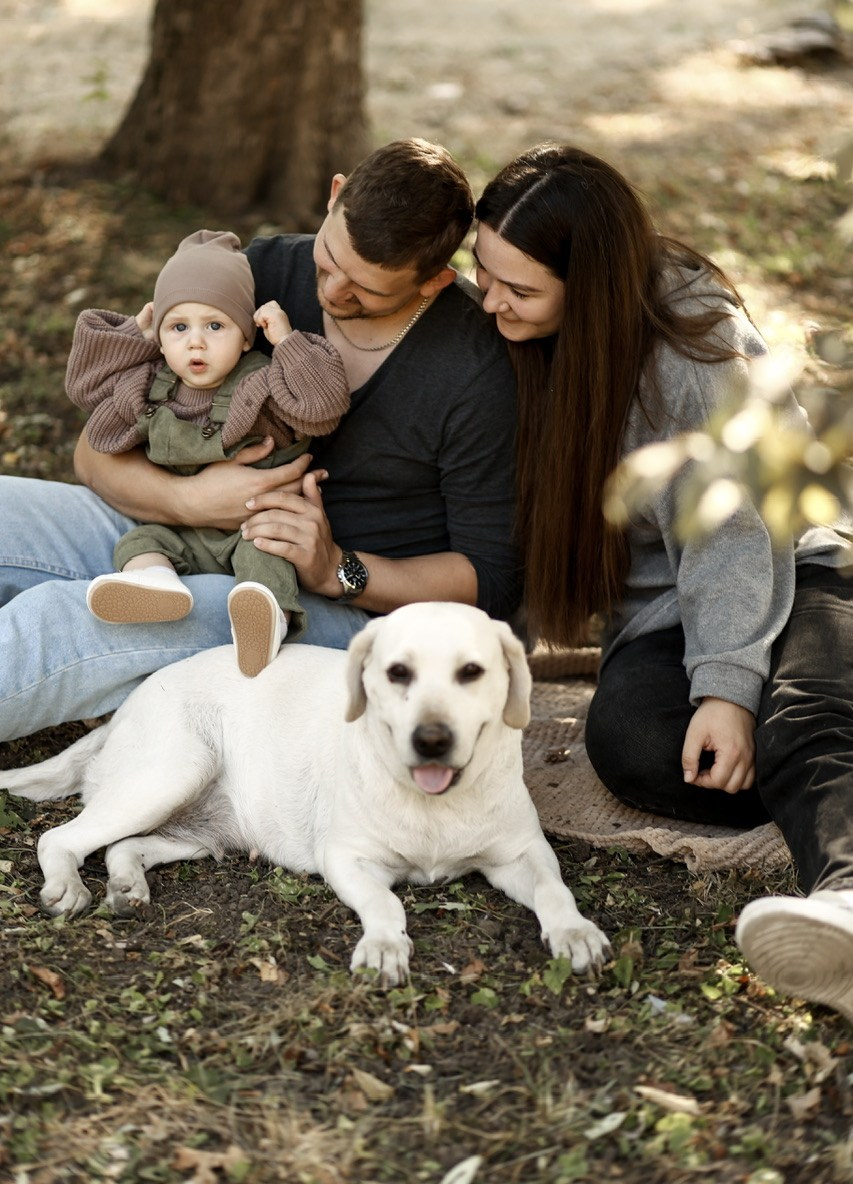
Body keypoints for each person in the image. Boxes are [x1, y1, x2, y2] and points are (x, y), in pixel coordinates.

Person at [472, 142, 853, 1023]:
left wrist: (727, 686)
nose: (489, 302)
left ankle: (842, 902)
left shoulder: (692, 342)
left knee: (794, 718)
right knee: (638, 742)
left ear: (592, 283)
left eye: (517, 289)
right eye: (481, 274)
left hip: (791, 564)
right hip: (667, 615)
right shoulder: (523, 331)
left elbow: (734, 529)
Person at [0, 138, 521, 740]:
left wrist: (337, 569)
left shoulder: (474, 368)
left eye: (366, 290)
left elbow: (489, 578)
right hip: (170, 532)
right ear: (333, 197)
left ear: (432, 282)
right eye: (329, 262)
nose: (330, 293)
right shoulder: (263, 270)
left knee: (67, 621)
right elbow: (94, 453)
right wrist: (188, 501)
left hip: (316, 607)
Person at [66, 229, 350, 677]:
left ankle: (265, 616)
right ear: (160, 339)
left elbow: (323, 409)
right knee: (140, 541)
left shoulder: (262, 384)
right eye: (179, 328)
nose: (195, 342)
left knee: (267, 555)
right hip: (182, 530)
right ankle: (153, 584)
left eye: (215, 326)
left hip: (253, 528)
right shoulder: (150, 384)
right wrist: (132, 336)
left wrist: (287, 342)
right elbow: (86, 390)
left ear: (243, 338)